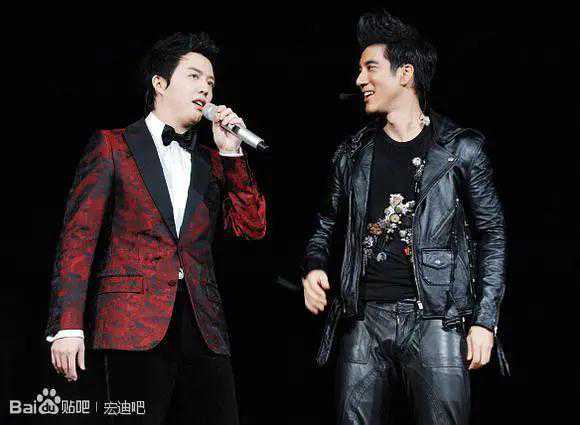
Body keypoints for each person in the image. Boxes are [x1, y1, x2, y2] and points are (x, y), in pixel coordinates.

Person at [45, 32, 266, 424]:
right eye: (194, 76)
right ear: (160, 83)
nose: (206, 89)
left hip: (203, 326)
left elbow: (250, 229)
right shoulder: (112, 146)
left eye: (211, 82)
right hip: (132, 322)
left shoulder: (212, 161)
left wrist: (232, 152)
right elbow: (78, 238)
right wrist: (67, 325)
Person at [302, 11, 508, 425]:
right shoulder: (353, 153)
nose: (360, 79)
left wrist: (485, 321)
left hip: (437, 318)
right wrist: (313, 267)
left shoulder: (460, 151)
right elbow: (325, 223)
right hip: (364, 319)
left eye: (370, 67)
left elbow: (492, 235)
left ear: (405, 73)